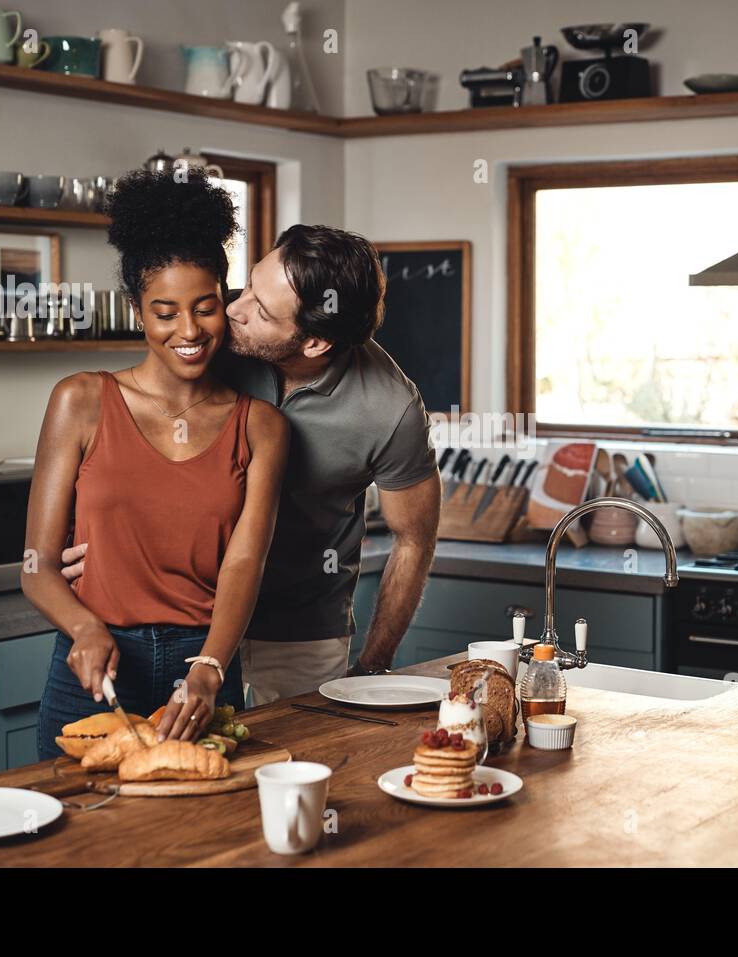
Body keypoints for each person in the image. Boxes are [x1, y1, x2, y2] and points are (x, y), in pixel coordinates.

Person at [63, 225, 440, 703]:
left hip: (299, 635)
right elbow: (123, 439)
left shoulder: (391, 409)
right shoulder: (213, 334)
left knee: (288, 771)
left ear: (314, 344)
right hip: (185, 622)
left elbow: (414, 536)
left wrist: (373, 665)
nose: (233, 308)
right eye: (248, 284)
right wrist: (76, 542)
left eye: (260, 311)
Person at [24, 170, 288, 758]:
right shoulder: (81, 401)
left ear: (227, 300)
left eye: (206, 307)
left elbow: (244, 562)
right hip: (94, 666)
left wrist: (212, 666)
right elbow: (36, 564)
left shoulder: (262, 427)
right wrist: (85, 628)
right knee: (77, 841)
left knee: (201, 840)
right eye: (165, 312)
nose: (189, 331)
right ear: (137, 310)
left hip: (202, 672)